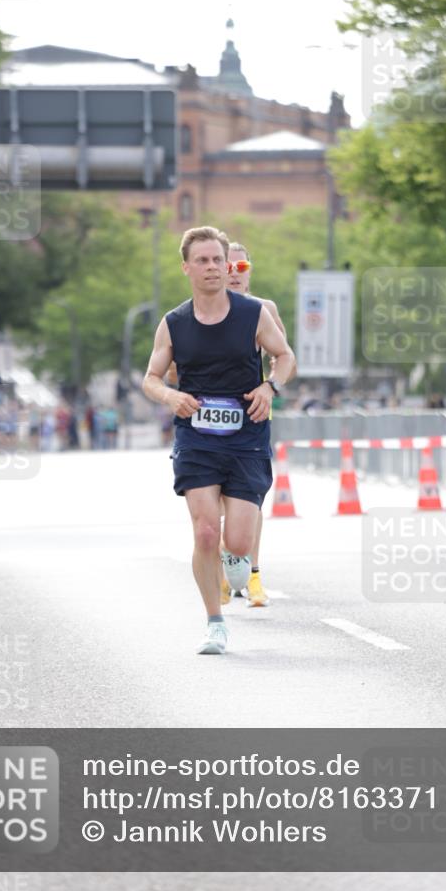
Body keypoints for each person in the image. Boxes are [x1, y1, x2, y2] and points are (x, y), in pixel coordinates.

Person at [143, 226, 296, 655]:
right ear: (187, 267)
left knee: (239, 544)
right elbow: (151, 378)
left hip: (247, 435)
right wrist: (170, 395)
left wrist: (270, 388)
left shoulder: (253, 314)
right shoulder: (174, 323)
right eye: (203, 260)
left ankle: (236, 562)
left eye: (218, 260)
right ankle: (215, 623)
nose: (213, 267)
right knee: (206, 531)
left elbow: (285, 357)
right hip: (197, 437)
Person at [221, 241, 294, 608]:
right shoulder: (204, 311)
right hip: (211, 418)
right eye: (228, 266)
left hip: (252, 414)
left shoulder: (265, 309)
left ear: (250, 270)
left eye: (242, 267)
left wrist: (270, 386)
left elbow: (283, 356)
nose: (235, 274)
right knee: (217, 505)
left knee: (250, 502)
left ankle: (252, 575)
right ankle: (224, 569)